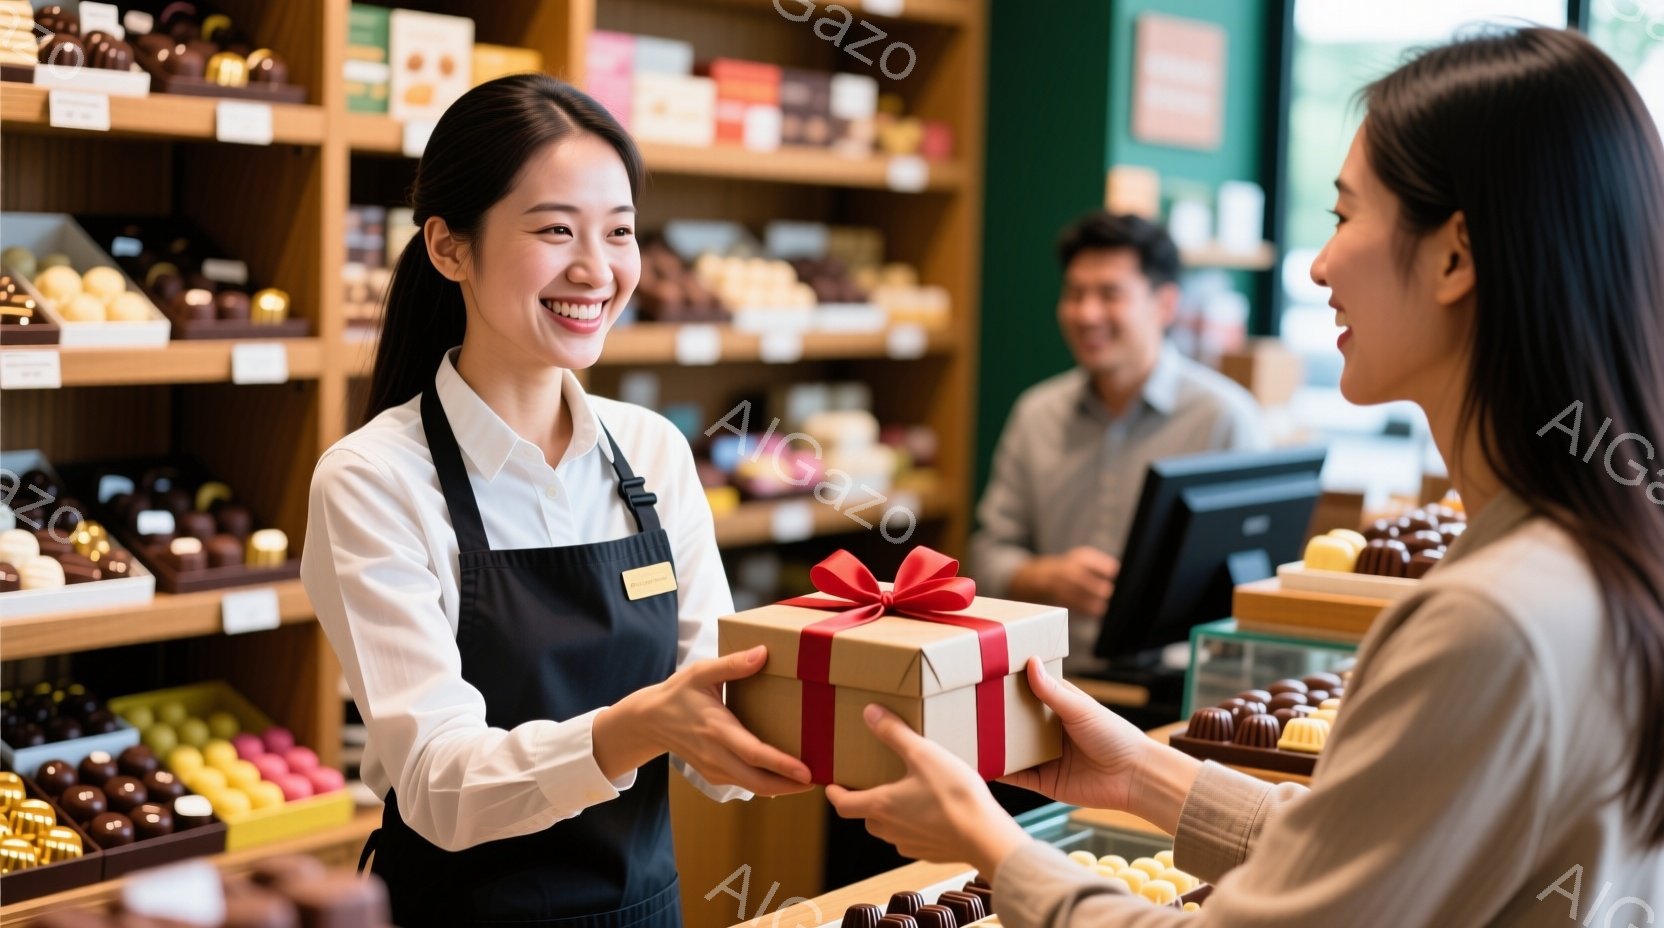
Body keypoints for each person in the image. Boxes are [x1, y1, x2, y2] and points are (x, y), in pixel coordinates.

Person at [828, 27, 1664, 927]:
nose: (1319, 264)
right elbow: (1376, 856)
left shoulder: (1486, 621)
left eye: (1343, 216)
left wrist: (996, 847)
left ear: (1455, 256)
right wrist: (1142, 775)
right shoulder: (1591, 558)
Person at [300, 74, 811, 928]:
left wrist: (839, 708)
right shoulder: (373, 479)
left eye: (620, 231)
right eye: (554, 230)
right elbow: (439, 786)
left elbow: (716, 731)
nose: (596, 269)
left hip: (646, 912)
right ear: (449, 247)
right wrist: (638, 728)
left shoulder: (651, 450)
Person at [970, 213, 1267, 666]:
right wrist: (1043, 576)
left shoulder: (1223, 417)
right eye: (1075, 294)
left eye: (1110, 294)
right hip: (1047, 674)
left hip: (1176, 682)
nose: (1086, 314)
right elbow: (986, 553)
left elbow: (1255, 583)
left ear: (1165, 304)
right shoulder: (1036, 414)